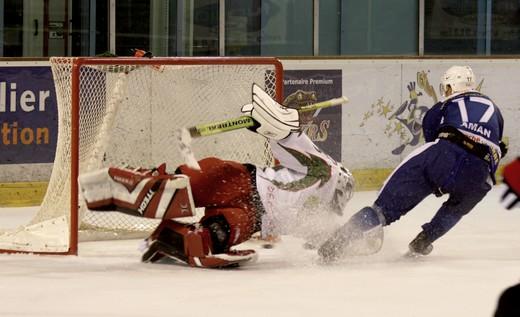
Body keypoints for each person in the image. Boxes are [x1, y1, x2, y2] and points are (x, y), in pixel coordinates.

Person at [78, 84, 354, 268]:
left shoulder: (322, 219)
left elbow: (337, 243)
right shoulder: (324, 169)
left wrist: (365, 236)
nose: (342, 199)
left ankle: (173, 239)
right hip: (242, 180)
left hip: (252, 216)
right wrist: (288, 117)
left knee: (214, 236)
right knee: (182, 188)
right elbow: (287, 135)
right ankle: (141, 185)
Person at [319, 65, 507, 262]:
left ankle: (337, 242)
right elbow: (497, 144)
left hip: (444, 155)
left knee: (382, 210)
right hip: (481, 174)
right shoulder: (495, 109)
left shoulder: (446, 103)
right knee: (456, 208)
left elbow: (430, 128)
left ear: (451, 87)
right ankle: (424, 240)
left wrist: (440, 170)